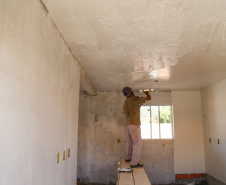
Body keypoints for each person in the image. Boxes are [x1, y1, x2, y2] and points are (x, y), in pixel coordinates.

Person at [122, 87, 151, 168]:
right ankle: (134, 162)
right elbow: (149, 98)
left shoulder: (125, 102)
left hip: (128, 124)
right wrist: (146, 93)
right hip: (134, 123)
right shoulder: (134, 99)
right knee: (137, 143)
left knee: (129, 142)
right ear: (131, 92)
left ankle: (128, 157)